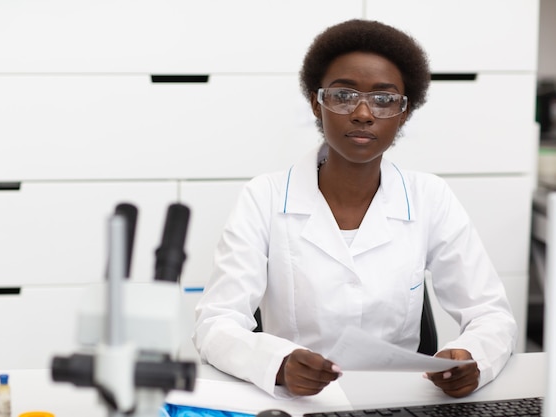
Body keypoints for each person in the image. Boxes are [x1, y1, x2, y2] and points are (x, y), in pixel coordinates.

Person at [192, 19, 517, 399]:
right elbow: (216, 322)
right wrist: (278, 364)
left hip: (400, 398)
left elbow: (490, 314)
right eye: (344, 95)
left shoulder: (430, 196)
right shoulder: (264, 196)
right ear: (317, 102)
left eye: (384, 100)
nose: (363, 114)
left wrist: (470, 357)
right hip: (298, 401)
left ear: (404, 112)